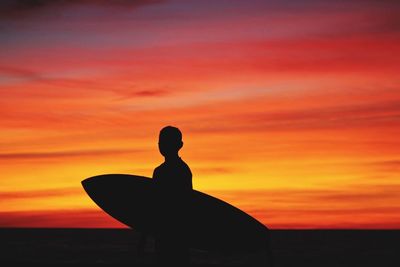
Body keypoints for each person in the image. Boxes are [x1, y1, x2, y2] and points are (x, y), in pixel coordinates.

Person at [152, 126, 193, 266]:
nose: (162, 145)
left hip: (176, 233)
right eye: (161, 142)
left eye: (166, 142)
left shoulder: (182, 171)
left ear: (179, 145)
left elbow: (187, 202)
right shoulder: (159, 172)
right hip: (164, 233)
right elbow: (154, 205)